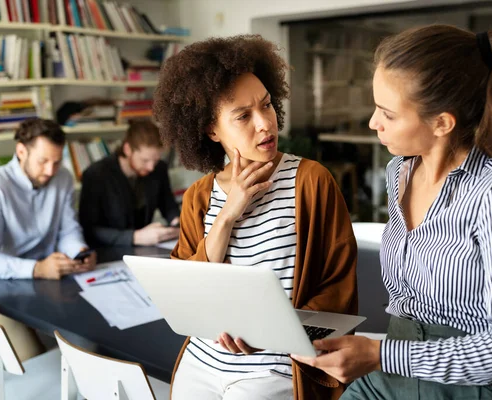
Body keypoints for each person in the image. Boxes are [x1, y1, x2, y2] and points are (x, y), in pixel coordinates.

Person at [291, 25, 492, 399]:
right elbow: (414, 319)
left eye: (387, 114)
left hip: (477, 388)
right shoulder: (399, 173)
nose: (373, 123)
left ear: (442, 122)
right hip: (395, 374)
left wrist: (383, 354)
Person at [153, 35, 358, 400]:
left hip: (277, 364)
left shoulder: (310, 181)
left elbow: (338, 289)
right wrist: (228, 215)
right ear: (211, 130)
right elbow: (185, 291)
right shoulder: (199, 197)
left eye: (266, 105)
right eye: (243, 116)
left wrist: (269, 333)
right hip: (202, 358)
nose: (265, 123)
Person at [0, 118, 97, 360]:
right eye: (43, 161)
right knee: (35, 360)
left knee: (92, 345)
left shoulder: (62, 178)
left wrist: (79, 252)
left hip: (49, 283)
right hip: (0, 288)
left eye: (56, 161)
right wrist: (37, 269)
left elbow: (68, 230)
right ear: (21, 151)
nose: (50, 171)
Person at [79, 119, 180, 247]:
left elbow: (168, 204)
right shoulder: (96, 174)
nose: (151, 167)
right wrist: (134, 237)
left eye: (155, 160)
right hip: (108, 251)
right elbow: (89, 229)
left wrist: (176, 223)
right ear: (127, 149)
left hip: (146, 249)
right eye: (145, 160)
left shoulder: (159, 169)